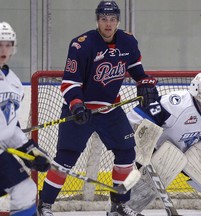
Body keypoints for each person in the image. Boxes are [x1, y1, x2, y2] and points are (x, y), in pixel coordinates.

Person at [37, 1, 158, 216]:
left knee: (126, 152)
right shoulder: (82, 45)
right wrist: (76, 105)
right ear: (97, 20)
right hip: (81, 111)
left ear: (118, 21)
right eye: (104, 19)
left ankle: (118, 206)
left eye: (112, 19)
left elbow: (135, 67)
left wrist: (144, 82)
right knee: (65, 158)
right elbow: (69, 83)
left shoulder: (128, 41)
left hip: (110, 110)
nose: (108, 24)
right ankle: (44, 205)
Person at [127, 72, 201, 213]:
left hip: (193, 156)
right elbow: (136, 118)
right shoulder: (175, 103)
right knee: (170, 159)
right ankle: (127, 209)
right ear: (196, 88)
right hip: (162, 154)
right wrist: (140, 145)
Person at [0, 22, 51, 216]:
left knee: (24, 191)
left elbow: (10, 126)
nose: (3, 49)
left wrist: (29, 150)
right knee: (21, 192)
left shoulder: (14, 82)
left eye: (7, 44)